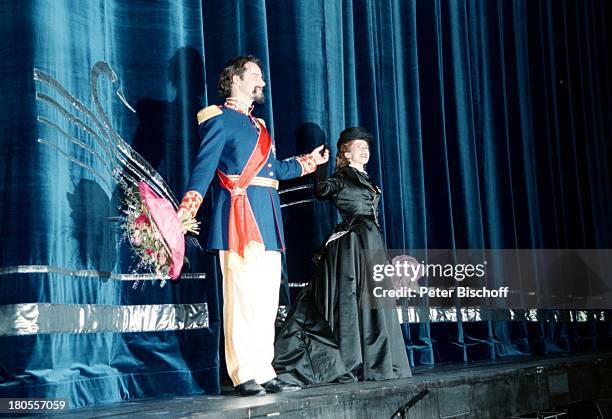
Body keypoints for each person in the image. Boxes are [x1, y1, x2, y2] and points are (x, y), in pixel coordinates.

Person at [176, 55, 329, 396]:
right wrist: (188, 208)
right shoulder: (218, 119)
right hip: (239, 217)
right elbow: (204, 170)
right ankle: (243, 371)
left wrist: (309, 162)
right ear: (235, 80)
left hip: (267, 218)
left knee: (265, 299)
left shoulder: (259, 127)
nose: (262, 82)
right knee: (242, 298)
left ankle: (263, 368)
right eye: (256, 76)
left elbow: (274, 171)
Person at [273, 126, 411, 384]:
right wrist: (320, 166)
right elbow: (322, 190)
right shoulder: (344, 175)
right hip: (353, 246)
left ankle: (378, 361)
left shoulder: (366, 177)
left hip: (371, 242)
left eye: (366, 147)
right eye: (359, 147)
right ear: (346, 153)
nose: (365, 151)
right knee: (351, 299)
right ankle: (351, 361)